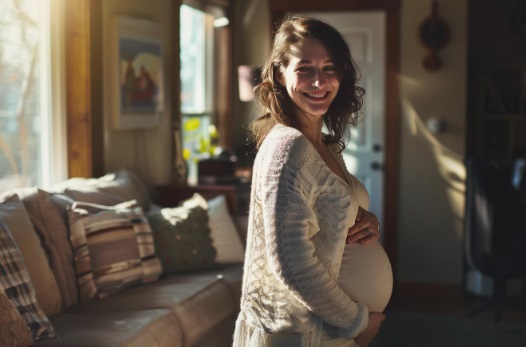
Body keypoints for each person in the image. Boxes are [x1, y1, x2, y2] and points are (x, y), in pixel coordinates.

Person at [233, 17, 386, 347]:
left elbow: (329, 216)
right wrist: (357, 323)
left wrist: (366, 220)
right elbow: (292, 264)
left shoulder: (323, 144)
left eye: (329, 67)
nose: (319, 80)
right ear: (279, 73)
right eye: (305, 68)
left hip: (323, 330)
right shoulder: (288, 148)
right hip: (300, 335)